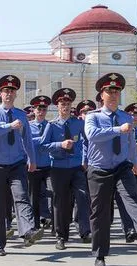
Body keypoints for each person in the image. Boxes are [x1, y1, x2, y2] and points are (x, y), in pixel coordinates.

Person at [85, 72, 137, 266]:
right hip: (99, 169)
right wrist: (118, 129)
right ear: (102, 95)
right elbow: (93, 136)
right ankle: (100, 254)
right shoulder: (93, 117)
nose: (113, 94)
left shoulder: (125, 117)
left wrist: (135, 162)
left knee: (132, 198)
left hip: (122, 166)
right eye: (109, 91)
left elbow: (130, 143)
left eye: (116, 91)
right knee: (100, 213)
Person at [0, 75, 44, 256]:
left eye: (12, 91)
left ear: (16, 94)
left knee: (22, 196)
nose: (9, 94)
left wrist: (32, 160)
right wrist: (8, 126)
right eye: (6, 91)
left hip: (16, 163)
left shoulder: (21, 115)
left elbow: (28, 140)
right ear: (0, 94)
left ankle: (28, 231)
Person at [40, 89, 92, 250]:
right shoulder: (52, 125)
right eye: (63, 104)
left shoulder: (78, 123)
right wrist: (59, 145)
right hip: (59, 168)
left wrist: (85, 158)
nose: (66, 106)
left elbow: (87, 141)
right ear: (58, 106)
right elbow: (43, 145)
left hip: (76, 167)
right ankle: (61, 236)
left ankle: (85, 231)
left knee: (83, 197)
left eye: (68, 104)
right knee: (60, 202)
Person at [28, 95, 53, 230]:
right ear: (34, 110)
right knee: (34, 197)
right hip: (34, 166)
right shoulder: (28, 126)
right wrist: (42, 139)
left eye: (44, 109)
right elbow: (26, 142)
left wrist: (39, 140)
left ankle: (51, 220)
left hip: (49, 165)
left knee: (52, 193)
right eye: (39, 109)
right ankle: (35, 225)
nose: (41, 112)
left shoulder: (50, 125)